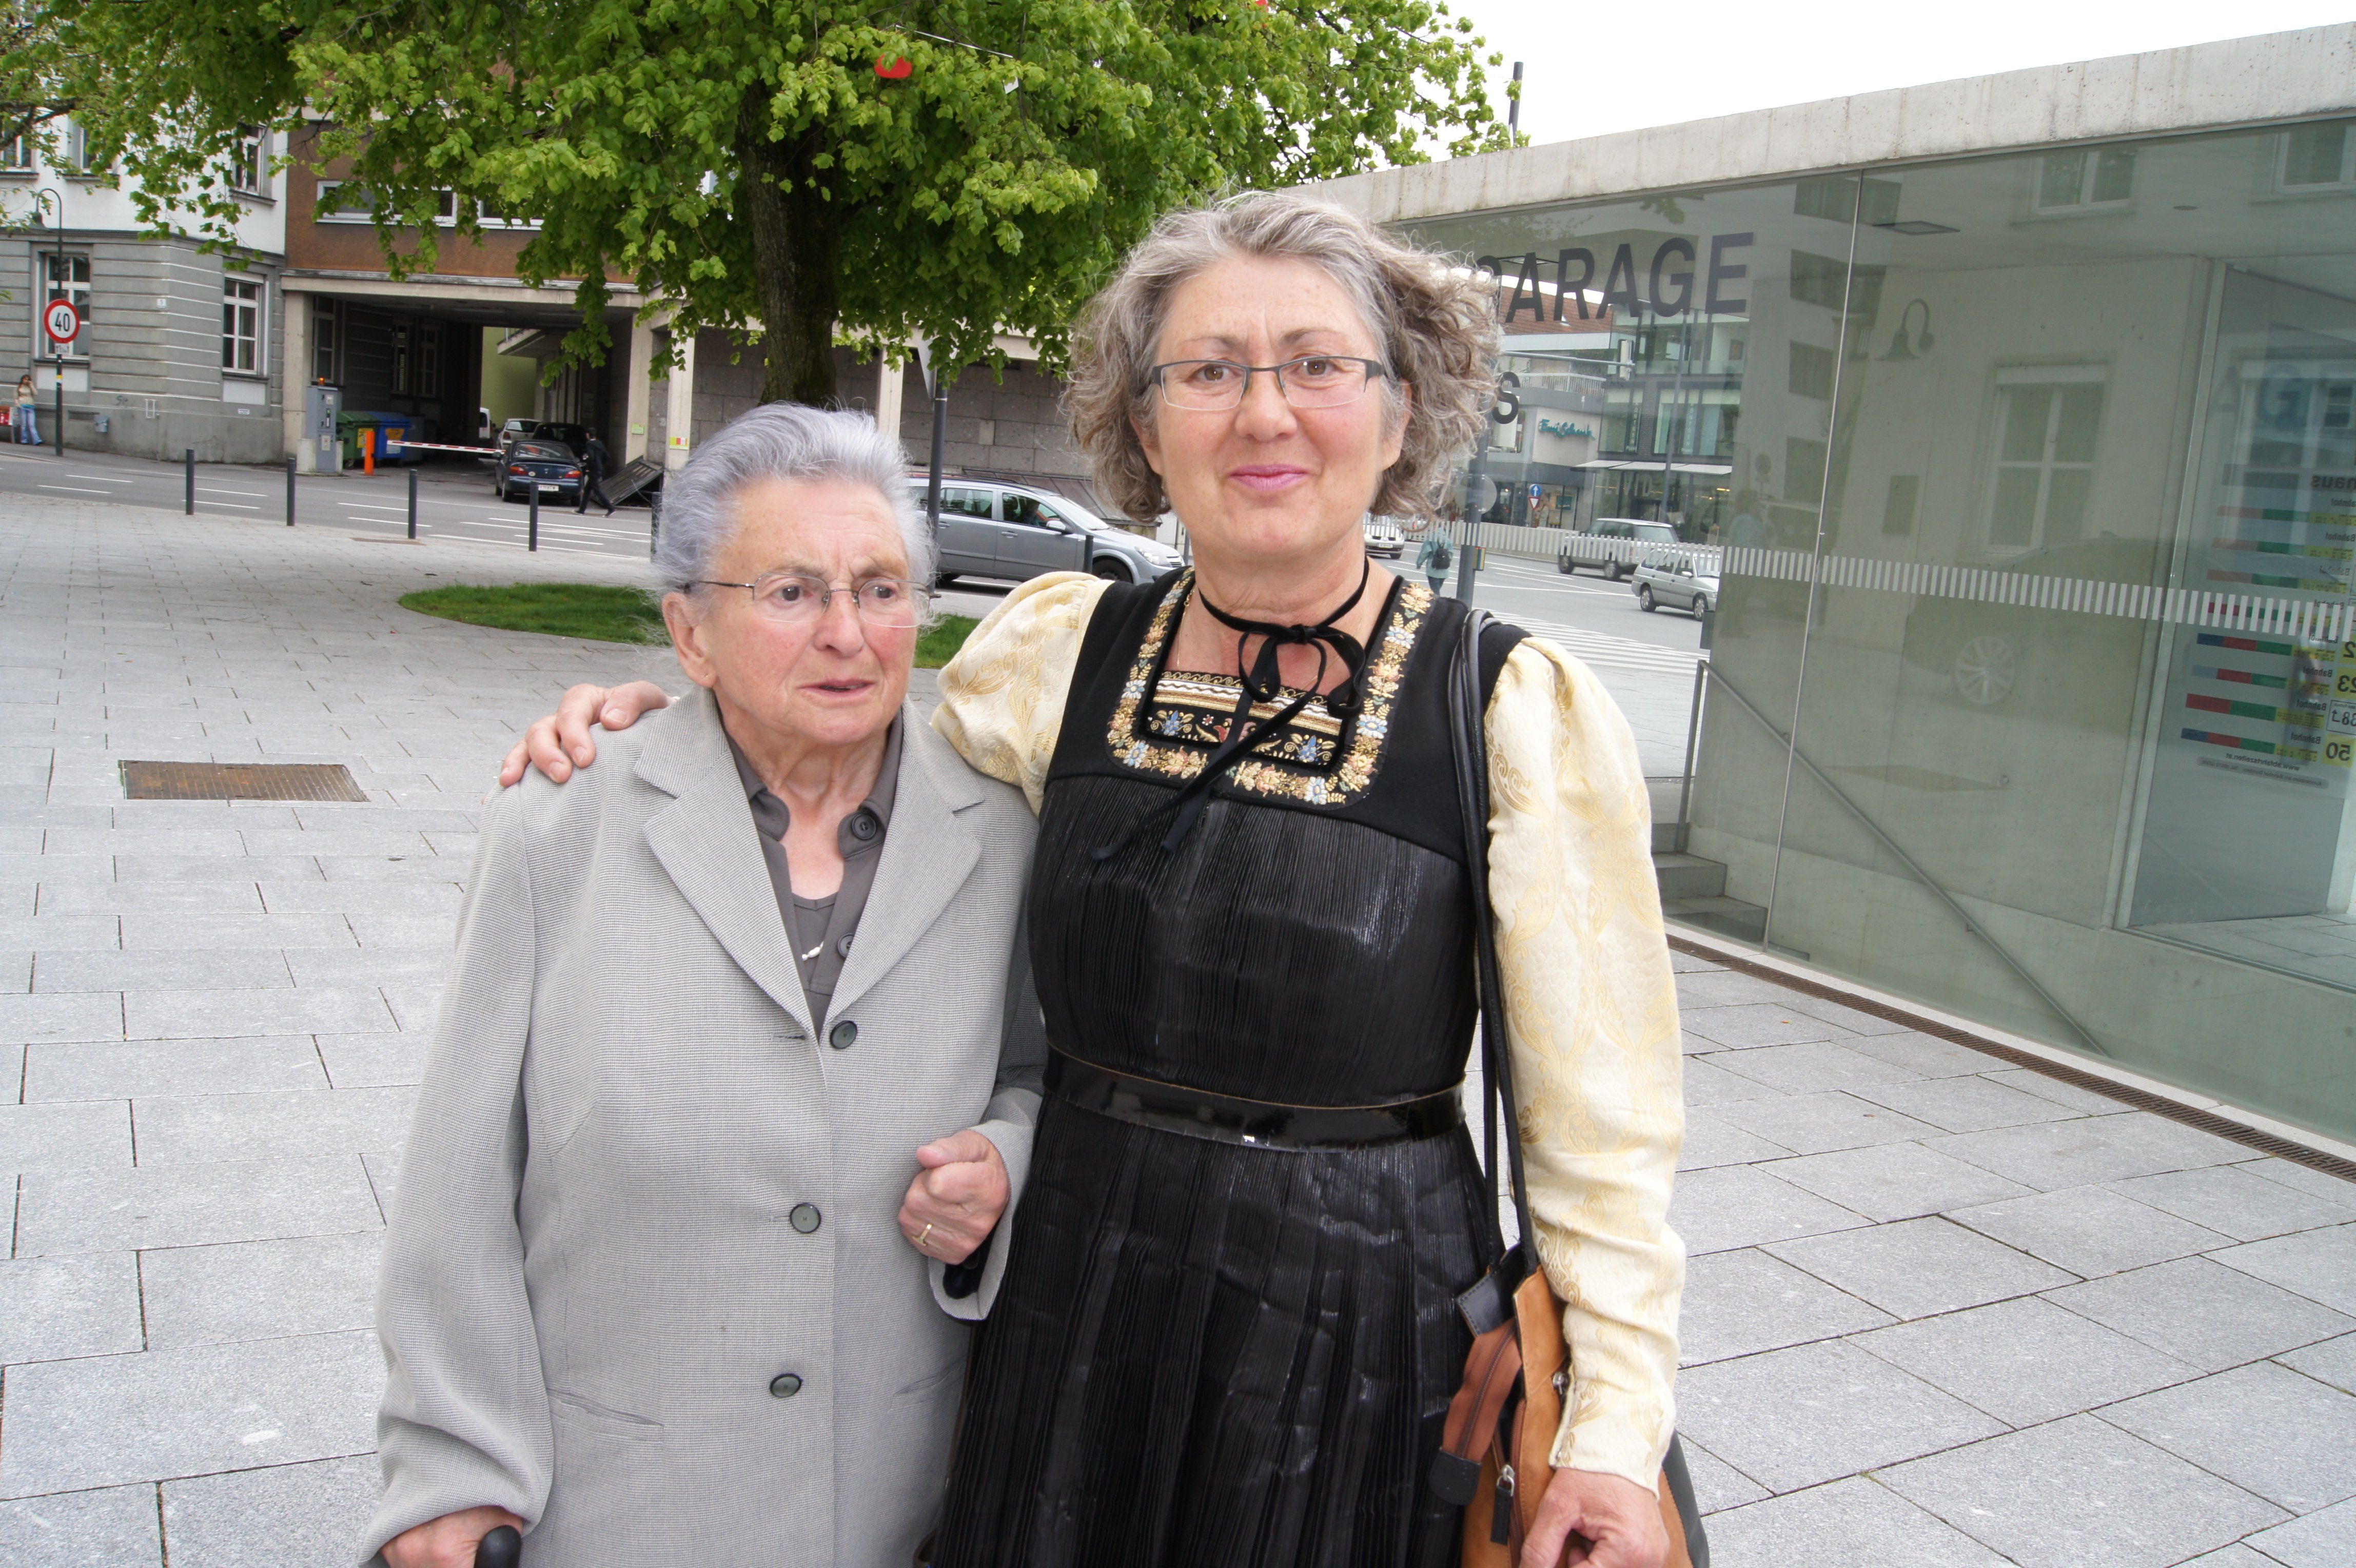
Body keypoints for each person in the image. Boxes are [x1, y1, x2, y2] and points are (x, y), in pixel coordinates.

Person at [507, 193, 1685, 1568]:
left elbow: (1604, 1136)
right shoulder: (1057, 654)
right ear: (1144, 423)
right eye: (1209, 371)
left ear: (1400, 408)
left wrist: (1613, 1435)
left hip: (1361, 1339)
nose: (1264, 413)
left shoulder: (1509, 710)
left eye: (1317, 364)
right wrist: (684, 718)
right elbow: (862, 785)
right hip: (1074, 1301)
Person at [367, 404, 1047, 1568]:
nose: (847, 633)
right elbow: (460, 1175)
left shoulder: (1001, 827)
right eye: (791, 592)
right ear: (690, 632)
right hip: (627, 1502)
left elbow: (1040, 1076)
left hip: (896, 1503)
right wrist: (450, 1466)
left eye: (881, 588)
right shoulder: (564, 818)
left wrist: (1006, 1158)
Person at [576, 426, 615, 515]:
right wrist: (600, 464)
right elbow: (607, 456)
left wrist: (588, 468)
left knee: (597, 490)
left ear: (588, 435)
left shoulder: (589, 444)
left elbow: (591, 457)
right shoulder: (600, 443)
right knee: (587, 490)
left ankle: (611, 508)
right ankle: (582, 510)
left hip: (593, 470)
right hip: (599, 468)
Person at [1415, 525, 1455, 595]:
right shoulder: (1448, 540)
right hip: (1445, 570)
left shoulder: (1431, 539)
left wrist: (1419, 563)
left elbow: (1425, 552)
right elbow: (1451, 554)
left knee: (1435, 592)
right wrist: (1445, 561)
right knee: (1437, 589)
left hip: (1433, 568)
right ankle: (1436, 600)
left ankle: (1437, 602)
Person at [14, 374, 39, 446]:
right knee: (24, 425)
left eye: (28, 379)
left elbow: (35, 394)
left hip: (31, 406)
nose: (26, 381)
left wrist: (31, 385)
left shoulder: (30, 387)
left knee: (32, 425)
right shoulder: (19, 387)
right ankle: (24, 440)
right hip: (22, 406)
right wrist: (18, 405)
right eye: (25, 379)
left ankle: (37, 440)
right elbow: (15, 397)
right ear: (22, 380)